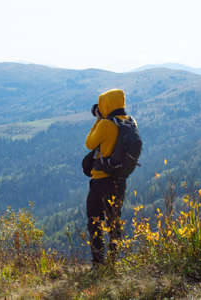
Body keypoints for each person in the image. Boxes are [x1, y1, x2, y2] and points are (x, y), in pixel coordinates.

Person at [84, 89, 133, 266]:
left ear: (106, 104)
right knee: (114, 221)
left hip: (101, 179)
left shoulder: (105, 124)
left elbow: (89, 143)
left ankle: (98, 262)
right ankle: (114, 261)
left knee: (95, 219)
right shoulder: (128, 122)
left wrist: (98, 119)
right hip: (120, 180)